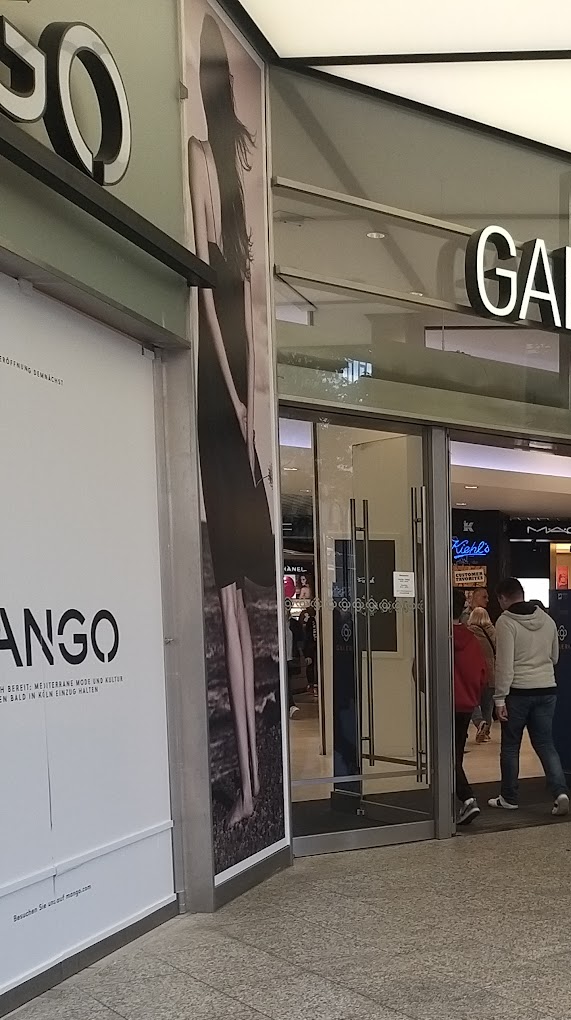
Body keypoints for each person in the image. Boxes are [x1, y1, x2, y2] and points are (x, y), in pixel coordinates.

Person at [189, 15, 277, 827]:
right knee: (235, 607)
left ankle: (250, 788)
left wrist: (241, 402)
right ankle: (250, 787)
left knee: (233, 604)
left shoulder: (207, 165)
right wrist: (248, 400)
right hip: (233, 407)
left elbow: (220, 305)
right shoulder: (228, 169)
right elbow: (235, 307)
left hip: (226, 408)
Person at [490, 578, 570, 816]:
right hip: (546, 689)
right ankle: (560, 792)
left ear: (502, 598)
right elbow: (555, 657)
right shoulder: (547, 619)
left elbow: (504, 664)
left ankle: (509, 797)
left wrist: (499, 698)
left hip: (518, 692)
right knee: (545, 744)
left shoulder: (505, 621)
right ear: (522, 593)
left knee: (510, 746)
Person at [451, 598, 489, 827]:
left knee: (447, 756)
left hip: (445, 703)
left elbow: (421, 670)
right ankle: (462, 798)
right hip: (466, 705)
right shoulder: (472, 639)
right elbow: (482, 673)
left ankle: (467, 798)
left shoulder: (436, 637)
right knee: (455, 752)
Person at [467, 604, 498, 742]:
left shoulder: (469, 632)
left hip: (475, 672)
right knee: (488, 705)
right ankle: (486, 732)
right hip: (491, 673)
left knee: (472, 701)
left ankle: (480, 722)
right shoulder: (493, 632)